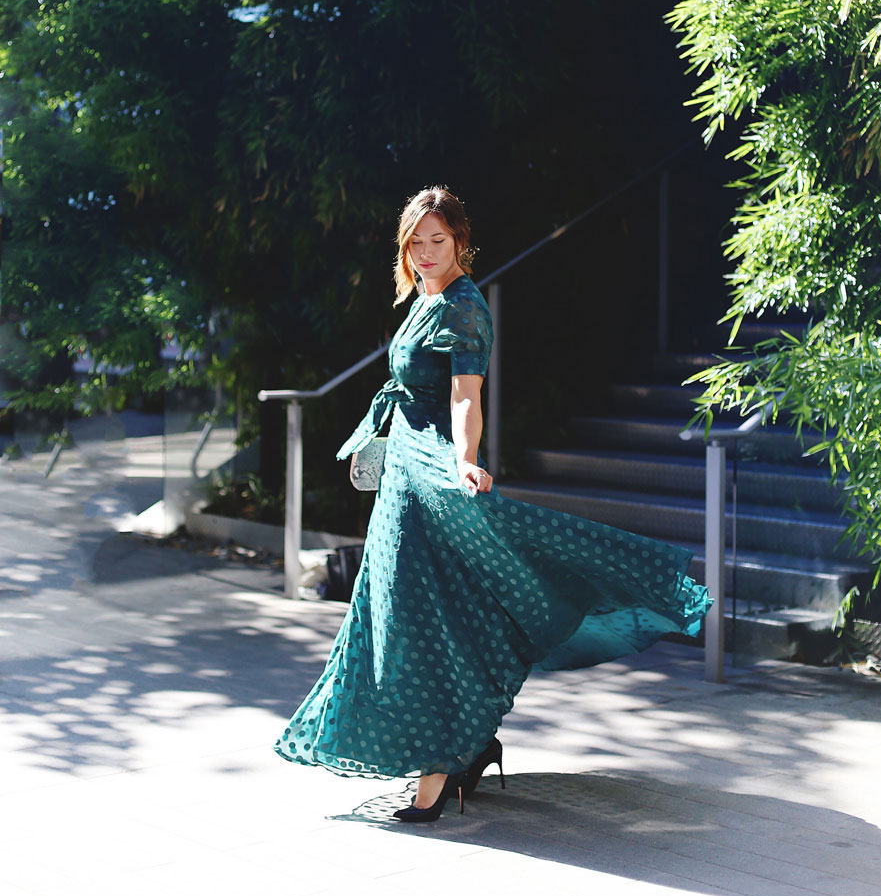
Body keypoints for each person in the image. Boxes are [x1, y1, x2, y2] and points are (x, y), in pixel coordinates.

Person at [274, 186, 711, 822]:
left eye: (438, 241)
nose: (426, 253)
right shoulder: (424, 296)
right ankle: (468, 748)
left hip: (432, 470)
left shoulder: (465, 306)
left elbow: (464, 396)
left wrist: (466, 460)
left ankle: (438, 773)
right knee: (420, 611)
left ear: (460, 241)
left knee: (418, 621)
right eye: (416, 242)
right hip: (404, 473)